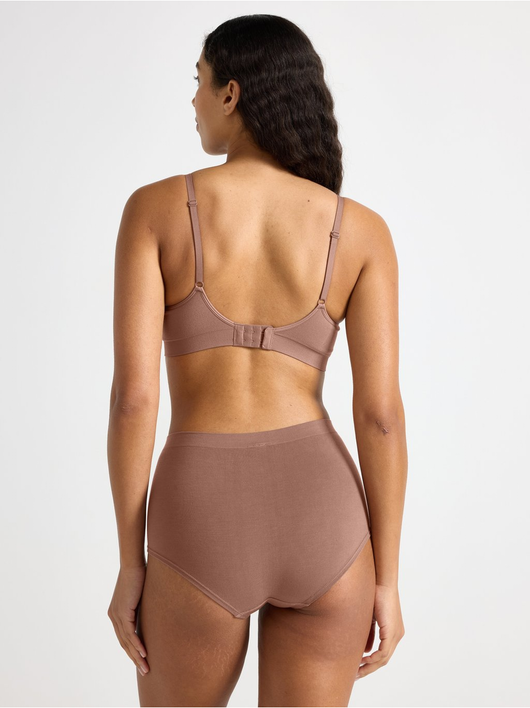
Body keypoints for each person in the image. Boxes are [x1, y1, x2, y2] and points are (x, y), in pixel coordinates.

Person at [107, 14, 407, 708]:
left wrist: (130, 563)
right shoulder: (360, 231)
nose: (193, 100)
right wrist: (387, 580)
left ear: (231, 93)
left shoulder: (155, 211)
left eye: (199, 82)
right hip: (325, 517)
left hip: (199, 512)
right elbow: (381, 416)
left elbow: (133, 400)